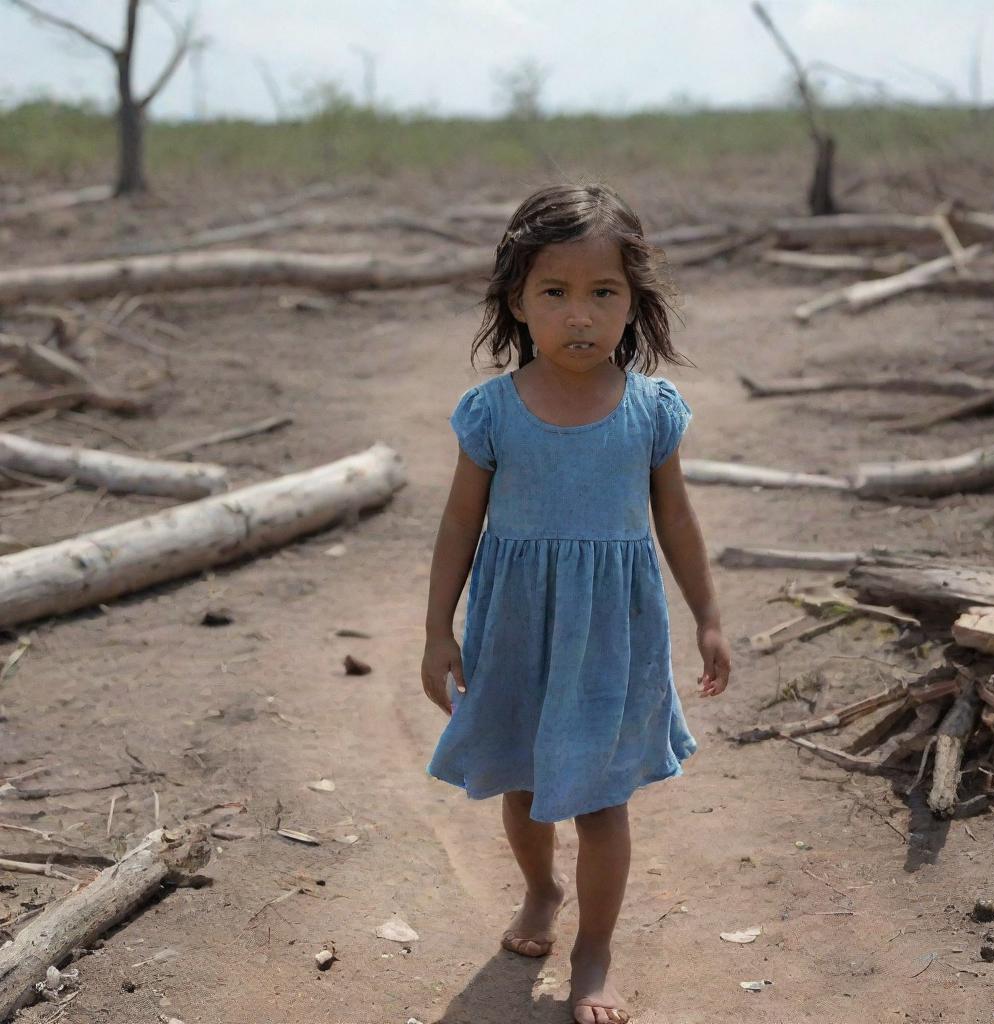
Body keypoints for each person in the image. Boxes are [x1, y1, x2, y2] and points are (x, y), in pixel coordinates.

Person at [421, 181, 731, 1024]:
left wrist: (706, 615)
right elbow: (459, 521)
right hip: (517, 630)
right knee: (521, 785)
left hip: (610, 639)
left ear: (634, 304)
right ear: (517, 301)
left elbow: (676, 516)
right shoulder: (492, 412)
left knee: (600, 799)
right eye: (554, 293)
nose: (580, 315)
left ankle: (595, 951)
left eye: (604, 293)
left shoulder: (650, 411)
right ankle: (540, 890)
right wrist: (435, 631)